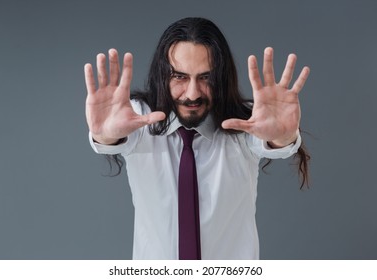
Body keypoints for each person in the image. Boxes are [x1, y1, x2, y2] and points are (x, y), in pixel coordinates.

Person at [84, 17, 310, 260]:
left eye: (205, 78)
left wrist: (284, 137)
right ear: (162, 75)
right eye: (179, 77)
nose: (192, 93)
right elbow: (113, 137)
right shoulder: (138, 118)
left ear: (221, 78)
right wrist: (104, 135)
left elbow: (274, 143)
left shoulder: (247, 123)